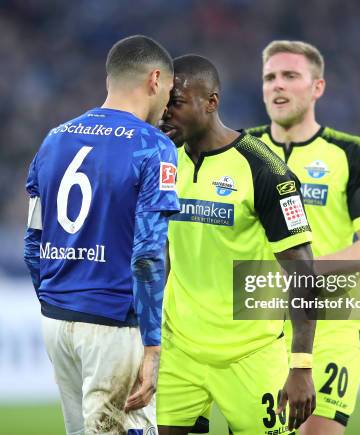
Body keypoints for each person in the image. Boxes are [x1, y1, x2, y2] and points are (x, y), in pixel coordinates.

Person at [23, 35, 180, 435]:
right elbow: (148, 253)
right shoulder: (153, 146)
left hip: (57, 321)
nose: (167, 105)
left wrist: (57, 298)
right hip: (112, 324)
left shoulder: (54, 138)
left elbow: (32, 242)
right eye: (170, 91)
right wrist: (152, 345)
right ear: (155, 79)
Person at [246, 40, 360, 435]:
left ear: (317, 87)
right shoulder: (240, 150)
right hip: (255, 329)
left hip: (333, 326)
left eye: (290, 76)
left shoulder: (351, 153)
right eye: (270, 77)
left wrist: (306, 272)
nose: (277, 85)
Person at [157, 54, 317, 435]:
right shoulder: (162, 161)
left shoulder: (266, 171)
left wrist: (301, 365)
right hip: (179, 351)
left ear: (211, 102)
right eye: (163, 103)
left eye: (176, 104)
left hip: (251, 354)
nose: (165, 114)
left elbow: (304, 273)